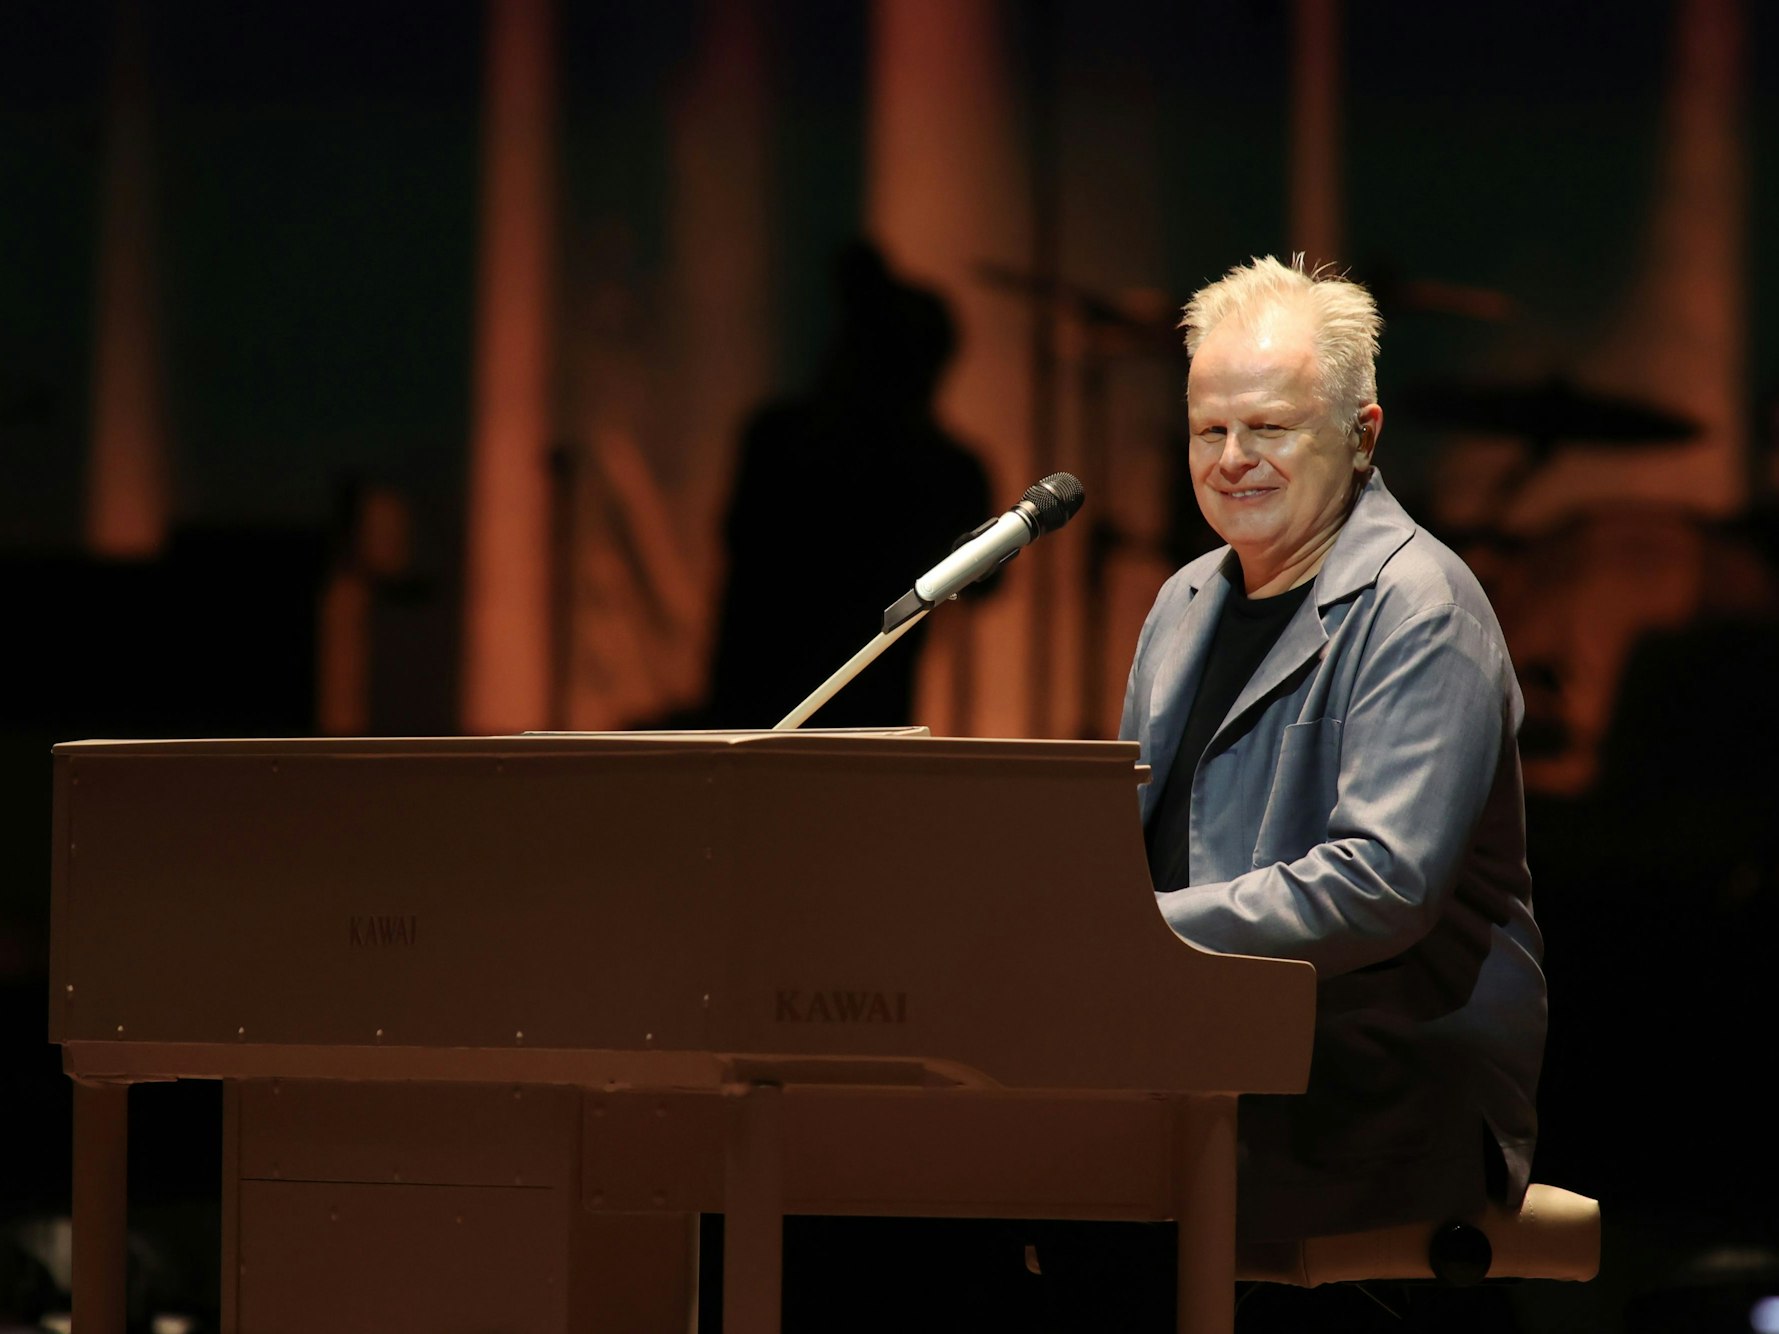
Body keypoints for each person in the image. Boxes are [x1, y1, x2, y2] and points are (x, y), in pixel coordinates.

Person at [1121, 255, 1545, 1247]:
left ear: (1363, 437)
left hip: (1382, 1079)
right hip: (1219, 1054)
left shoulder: (1422, 605)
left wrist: (1131, 930)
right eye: (1208, 430)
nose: (1232, 458)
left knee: (1087, 1225)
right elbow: (1125, 846)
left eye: (1268, 427)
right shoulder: (1182, 600)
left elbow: (1383, 883)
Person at [703, 241, 990, 729]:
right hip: (854, 711)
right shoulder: (946, 468)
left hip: (765, 704)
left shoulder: (779, 438)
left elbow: (739, 537)